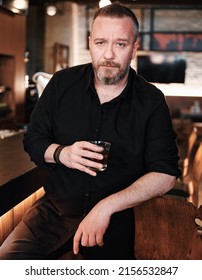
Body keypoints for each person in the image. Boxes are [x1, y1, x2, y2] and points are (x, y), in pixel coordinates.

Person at [0, 2, 180, 260]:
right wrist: (63, 153)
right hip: (54, 213)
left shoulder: (151, 101)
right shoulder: (62, 84)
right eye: (100, 43)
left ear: (134, 48)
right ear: (90, 43)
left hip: (118, 220)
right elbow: (34, 139)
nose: (108, 54)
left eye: (120, 44)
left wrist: (106, 207)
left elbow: (165, 173)